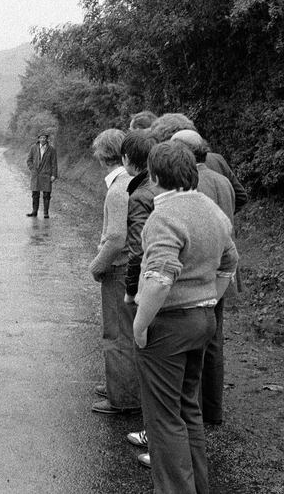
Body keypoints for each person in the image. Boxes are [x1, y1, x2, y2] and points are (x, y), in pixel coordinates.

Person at [133, 141, 237, 494]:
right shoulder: (212, 210)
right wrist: (208, 299)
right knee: (188, 410)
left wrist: (140, 323)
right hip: (203, 322)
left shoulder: (164, 215)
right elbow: (229, 263)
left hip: (169, 326)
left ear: (155, 175)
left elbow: (161, 275)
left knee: (163, 420)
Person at [170, 129, 236, 428]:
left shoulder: (192, 184)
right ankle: (212, 409)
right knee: (214, 340)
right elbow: (241, 198)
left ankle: (190, 413)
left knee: (193, 345)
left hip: (201, 273)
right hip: (224, 268)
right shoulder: (222, 180)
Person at [88, 129, 141, 415]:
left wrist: (97, 266)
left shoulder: (118, 189)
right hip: (127, 267)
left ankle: (122, 398)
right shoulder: (128, 182)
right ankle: (119, 384)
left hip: (119, 269)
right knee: (125, 332)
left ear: (100, 155)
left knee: (117, 334)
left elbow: (116, 239)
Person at [120, 128, 163, 462]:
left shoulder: (138, 195)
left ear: (126, 161)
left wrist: (130, 292)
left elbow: (137, 249)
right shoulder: (162, 187)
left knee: (152, 362)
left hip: (152, 285)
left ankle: (157, 439)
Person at [26, 130, 58, 218]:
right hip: (36, 174)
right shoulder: (33, 148)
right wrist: (32, 169)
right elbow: (29, 160)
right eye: (41, 138)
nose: (43, 139)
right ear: (38, 139)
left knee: (46, 194)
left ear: (47, 139)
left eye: (44, 138)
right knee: (35, 194)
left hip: (46, 174)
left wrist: (54, 175)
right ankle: (34, 211)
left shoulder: (51, 149)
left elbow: (54, 163)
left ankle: (46, 213)